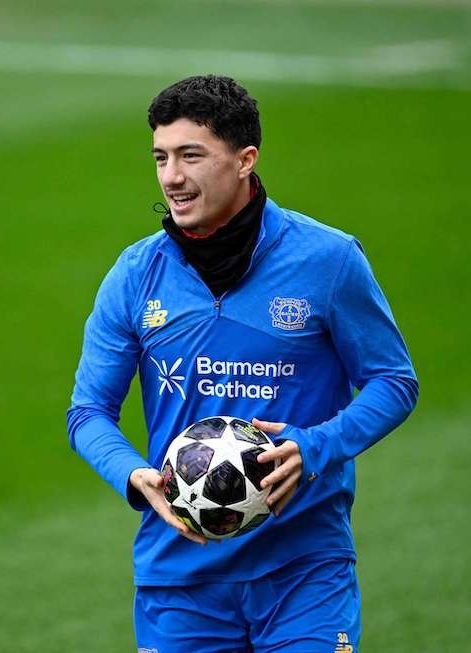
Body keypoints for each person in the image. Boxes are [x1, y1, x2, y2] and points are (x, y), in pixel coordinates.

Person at [67, 75, 418, 653]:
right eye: (160, 158)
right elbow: (88, 412)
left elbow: (394, 381)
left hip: (305, 571)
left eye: (190, 156)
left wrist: (316, 446)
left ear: (244, 160)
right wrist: (133, 474)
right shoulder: (134, 276)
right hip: (179, 580)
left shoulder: (327, 260)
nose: (171, 177)